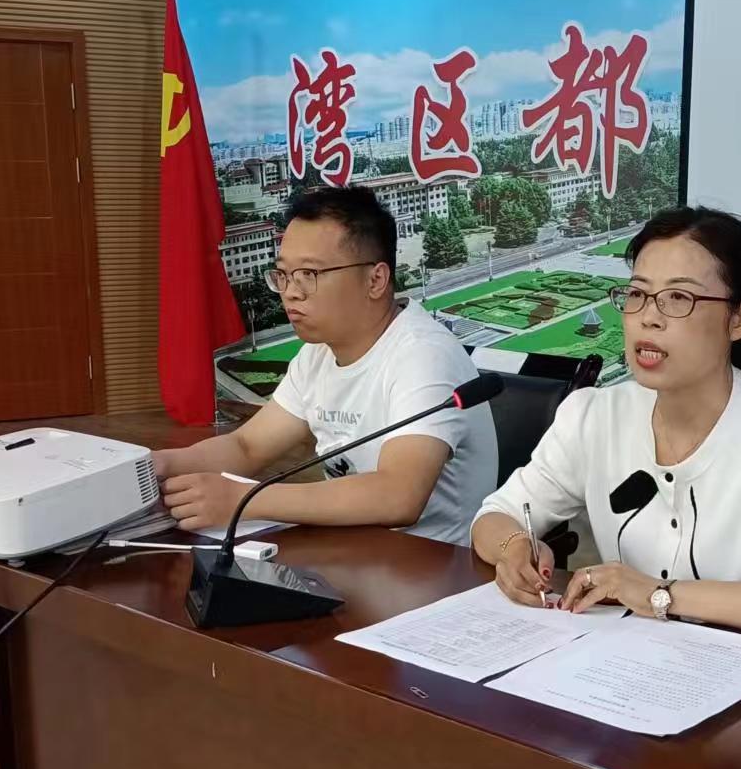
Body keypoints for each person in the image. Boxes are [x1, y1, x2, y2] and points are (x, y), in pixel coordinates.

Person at [472, 206, 741, 640]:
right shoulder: (594, 415)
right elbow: (495, 515)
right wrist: (514, 548)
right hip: (622, 663)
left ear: (740, 319)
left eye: (678, 298)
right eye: (637, 293)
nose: (648, 316)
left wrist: (660, 594)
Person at [154, 186, 497, 545]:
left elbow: (398, 495)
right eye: (283, 274)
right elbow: (247, 447)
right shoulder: (316, 355)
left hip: (431, 566)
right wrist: (153, 467)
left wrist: (243, 500)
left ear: (375, 280)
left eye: (309, 274)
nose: (291, 292)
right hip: (350, 552)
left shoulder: (424, 355)